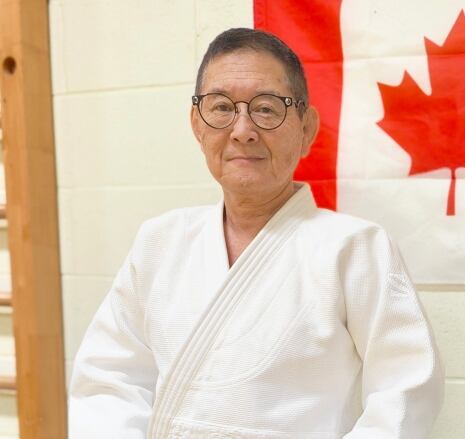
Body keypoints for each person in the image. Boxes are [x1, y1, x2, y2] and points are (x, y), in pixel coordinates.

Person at [68, 28, 444, 438]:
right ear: (197, 125)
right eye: (222, 107)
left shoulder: (355, 249)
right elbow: (109, 381)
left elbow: (406, 392)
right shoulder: (160, 241)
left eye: (267, 109)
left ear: (306, 129)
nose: (242, 129)